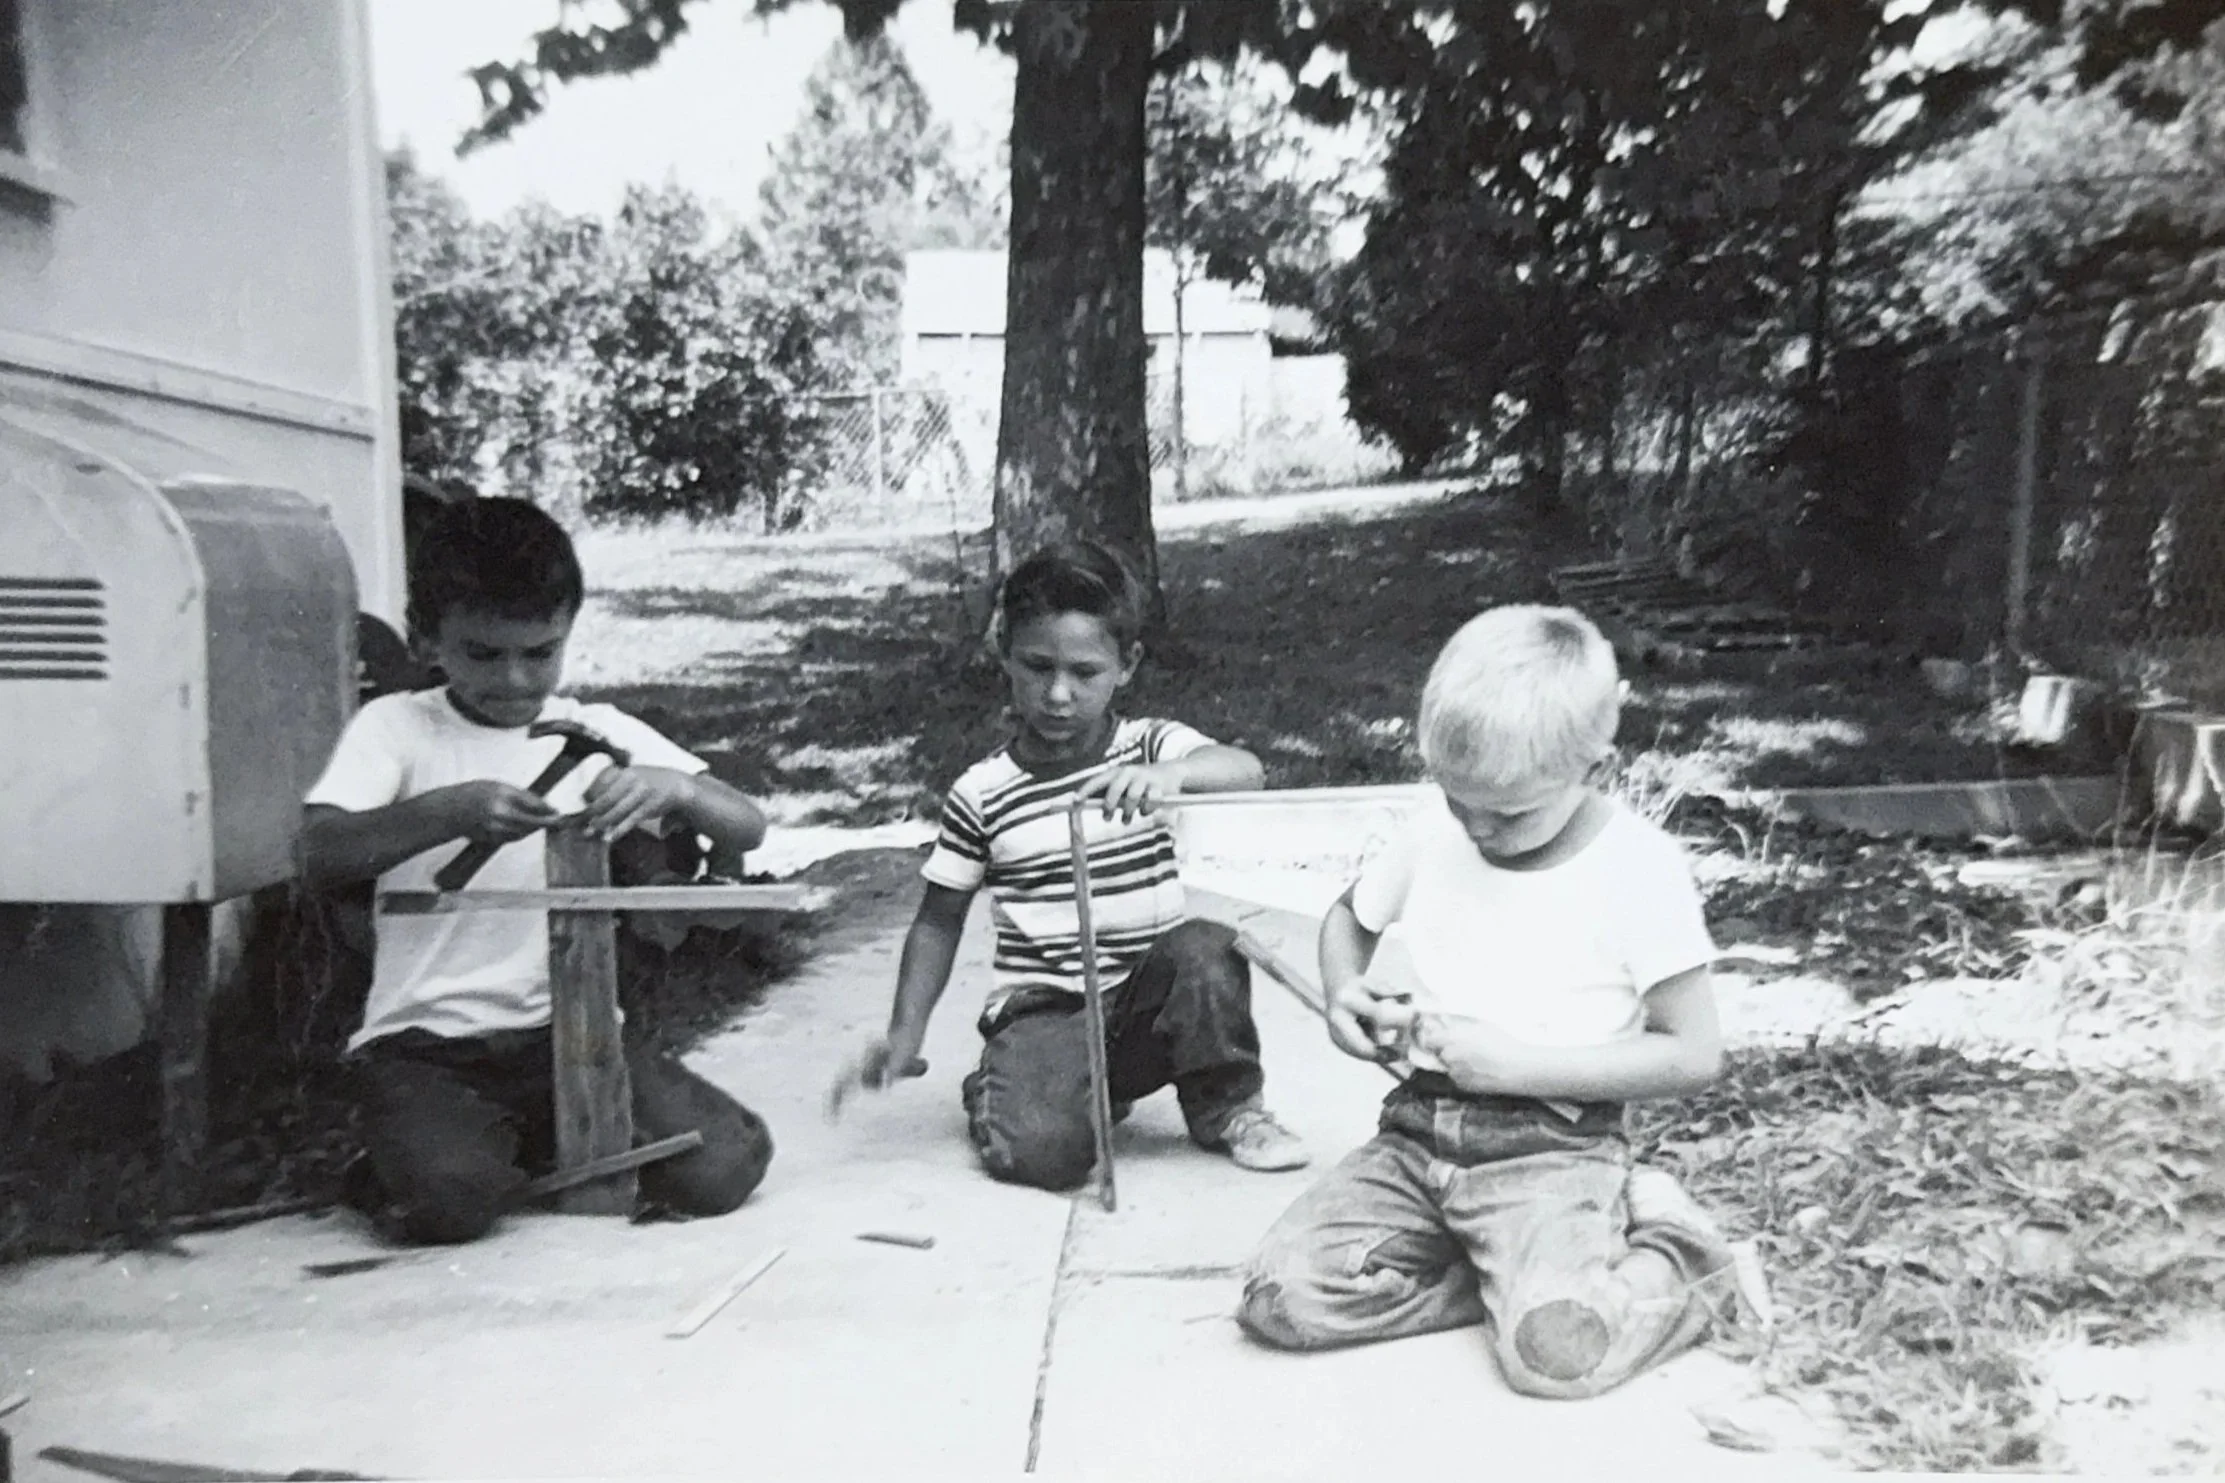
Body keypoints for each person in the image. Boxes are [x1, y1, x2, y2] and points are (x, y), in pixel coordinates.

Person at [1236, 605, 1767, 1399]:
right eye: (1457, 800)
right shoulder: (1432, 835)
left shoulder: (1636, 870)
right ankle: (1507, 1281)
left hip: (1553, 1151)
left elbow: (1692, 1053)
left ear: (1595, 765)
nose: (1477, 827)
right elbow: (1349, 918)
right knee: (1280, 1300)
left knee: (1558, 1359)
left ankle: (1681, 1259)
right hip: (1418, 1138)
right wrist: (1345, 994)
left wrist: (1517, 1065)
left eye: (1509, 811)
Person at [302, 497, 774, 1245]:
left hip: (571, 1032)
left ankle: (518, 1141)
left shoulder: (598, 730)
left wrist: (677, 787)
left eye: (540, 651)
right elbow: (318, 852)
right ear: (428, 637)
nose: (517, 680)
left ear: (566, 633)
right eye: (484, 654)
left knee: (726, 1165)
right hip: (426, 1043)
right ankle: (406, 1157)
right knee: (450, 1202)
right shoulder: (396, 727)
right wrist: (447, 812)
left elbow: (747, 823)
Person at [834, 540, 1309, 1189]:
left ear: (1127, 665)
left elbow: (1244, 770)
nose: (1058, 693)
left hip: (1146, 998)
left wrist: (1171, 772)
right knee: (1045, 1157)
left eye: (1084, 672)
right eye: (1037, 666)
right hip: (1045, 1007)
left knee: (1207, 945)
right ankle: (1001, 1090)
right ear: (1004, 654)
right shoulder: (983, 790)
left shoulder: (1145, 744)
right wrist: (904, 1031)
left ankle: (1229, 1107)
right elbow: (938, 920)